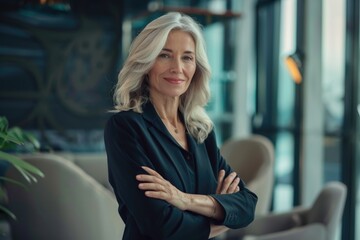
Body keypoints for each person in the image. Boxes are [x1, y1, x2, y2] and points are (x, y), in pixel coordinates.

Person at [104, 12, 257, 240]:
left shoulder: (201, 130)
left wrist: (183, 200)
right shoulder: (125, 128)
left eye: (187, 57)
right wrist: (220, 214)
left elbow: (247, 205)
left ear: (196, 67)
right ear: (146, 62)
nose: (177, 68)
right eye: (165, 55)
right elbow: (161, 226)